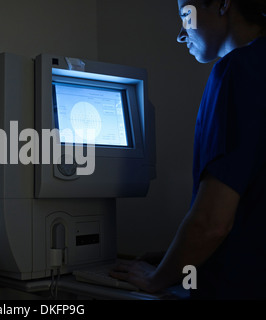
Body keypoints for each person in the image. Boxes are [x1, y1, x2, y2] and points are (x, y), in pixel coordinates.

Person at [110, 0, 266, 299]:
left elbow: (212, 223)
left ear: (223, 4)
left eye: (186, 15)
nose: (182, 34)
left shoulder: (237, 70)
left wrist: (157, 278)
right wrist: (175, 257)